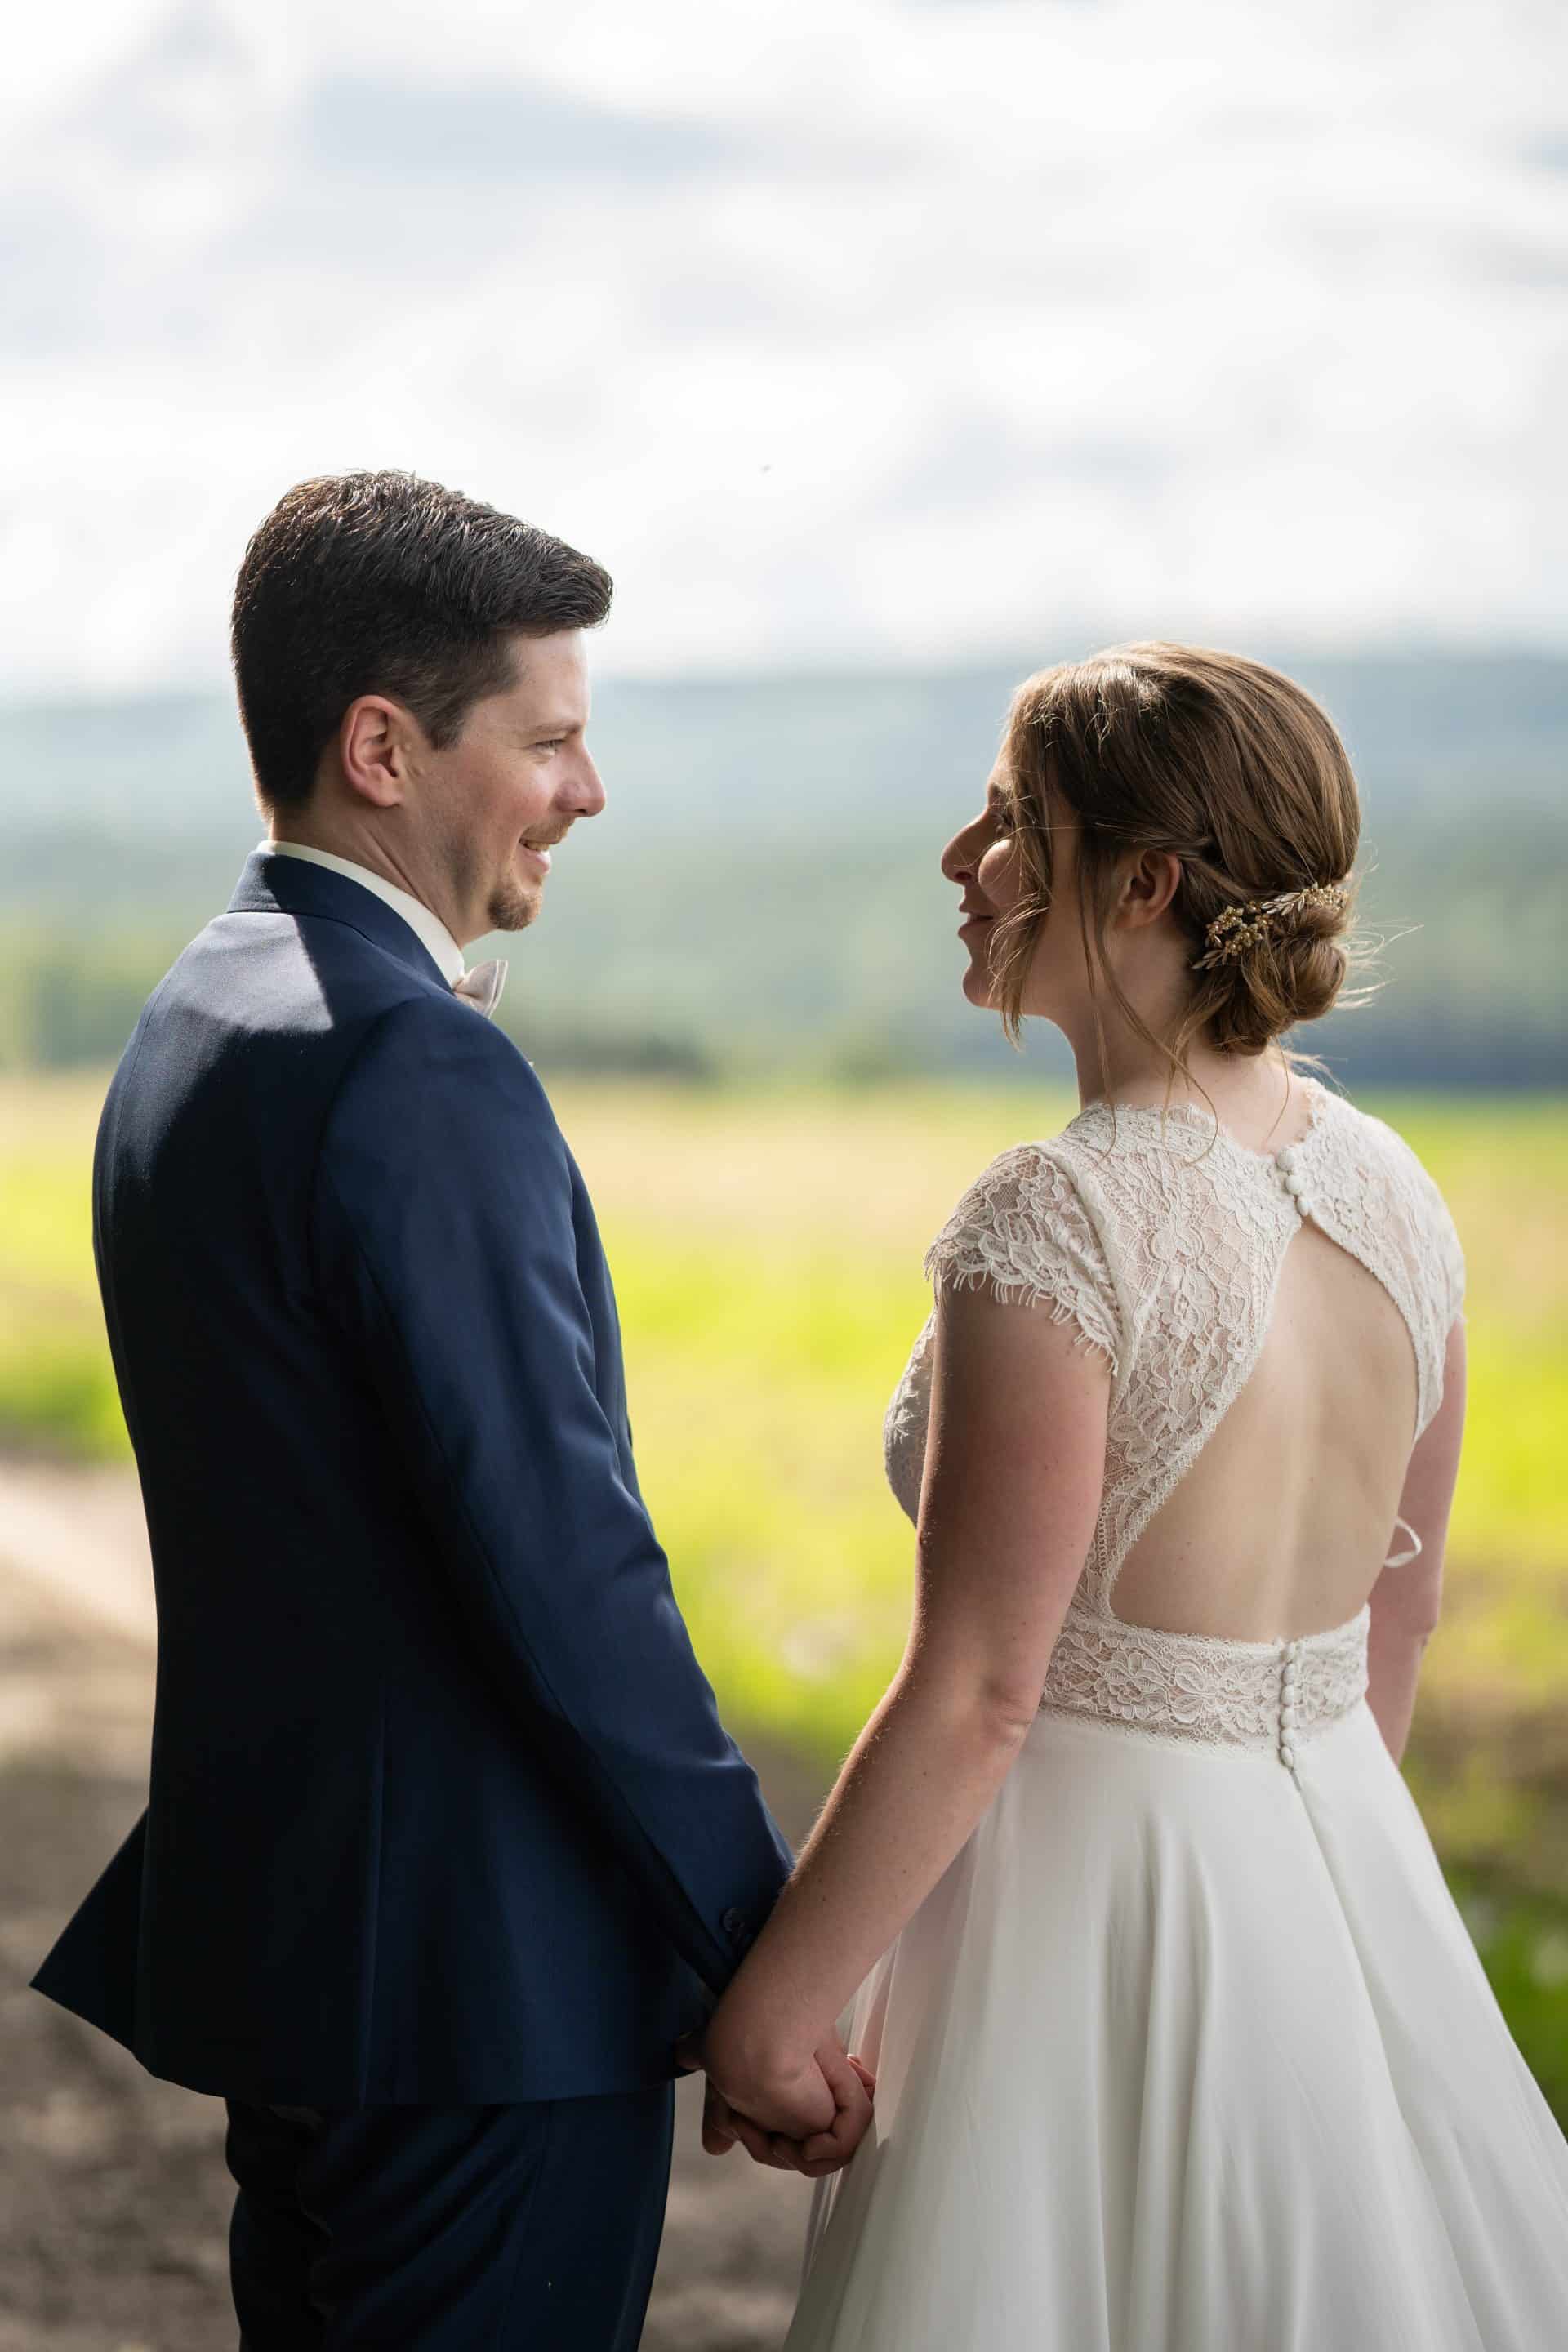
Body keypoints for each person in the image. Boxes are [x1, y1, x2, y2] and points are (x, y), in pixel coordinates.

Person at [29, 468, 871, 2351]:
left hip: (311, 1975)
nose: (588, 790)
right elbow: (561, 1563)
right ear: (385, 749)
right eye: (551, 739)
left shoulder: (195, 1022)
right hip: (484, 2002)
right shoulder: (417, 1061)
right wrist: (762, 1952)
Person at [688, 643, 1568, 2346]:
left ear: (1145, 881)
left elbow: (980, 1687)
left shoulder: (1059, 1220)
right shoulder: (1397, 1191)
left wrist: (773, 2018)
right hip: (1337, 1875)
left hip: (1081, 1922)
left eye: (1013, 819)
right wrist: (1297, 1882)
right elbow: (1402, 1607)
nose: (965, 859)